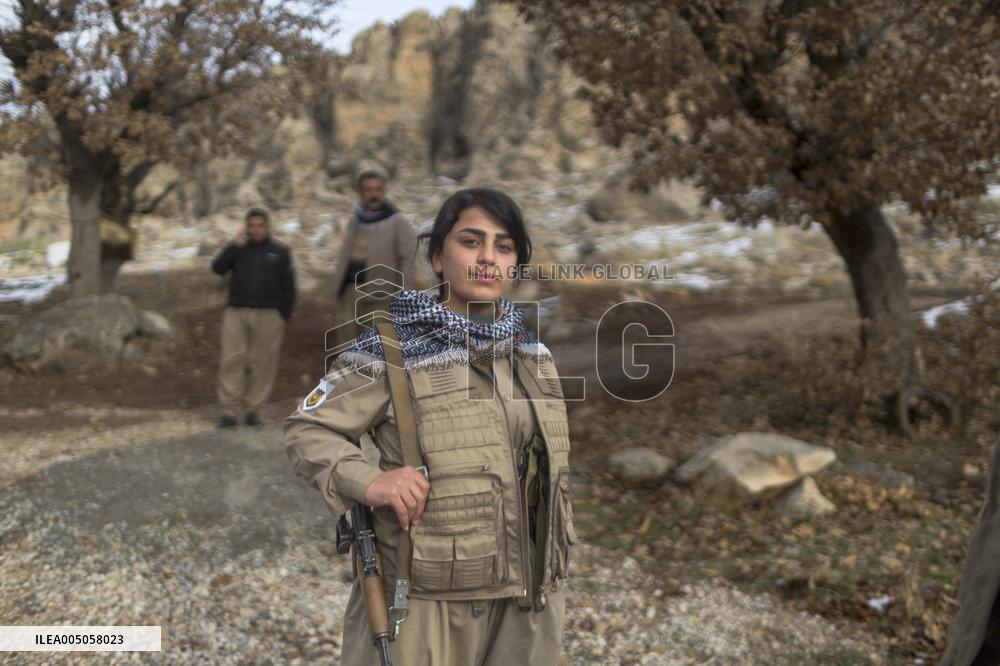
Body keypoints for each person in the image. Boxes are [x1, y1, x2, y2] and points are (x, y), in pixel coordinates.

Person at [285, 188, 575, 665]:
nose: (488, 258)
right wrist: (372, 481)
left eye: (504, 247)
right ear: (439, 257)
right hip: (428, 607)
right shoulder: (391, 346)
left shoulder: (532, 352)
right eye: (471, 241)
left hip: (529, 606)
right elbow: (307, 429)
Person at [211, 207, 296, 428]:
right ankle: (229, 409)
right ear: (246, 227)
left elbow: (289, 287)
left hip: (268, 314)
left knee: (262, 362)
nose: (256, 230)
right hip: (237, 312)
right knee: (233, 358)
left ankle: (253, 410)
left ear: (268, 227)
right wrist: (234, 245)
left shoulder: (280, 251)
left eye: (260, 225)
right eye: (252, 226)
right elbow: (217, 268)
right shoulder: (239, 249)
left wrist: (282, 315)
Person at [329, 169, 422, 350]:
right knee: (346, 347)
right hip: (350, 292)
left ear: (383, 192)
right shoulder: (355, 221)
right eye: (368, 190)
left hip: (381, 295)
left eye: (377, 189)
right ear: (361, 193)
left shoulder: (397, 221)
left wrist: (406, 296)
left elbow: (408, 260)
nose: (374, 194)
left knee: (378, 348)